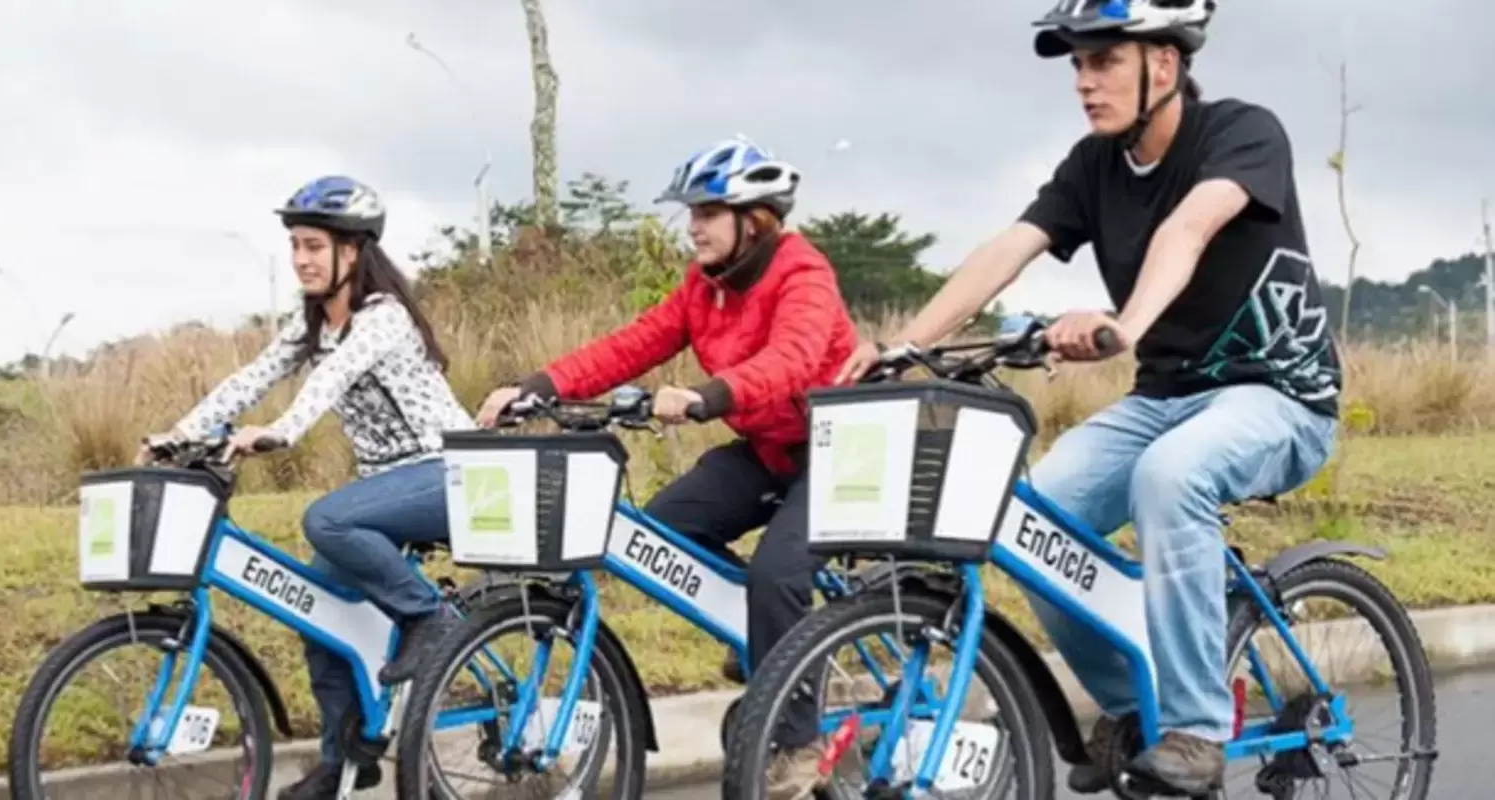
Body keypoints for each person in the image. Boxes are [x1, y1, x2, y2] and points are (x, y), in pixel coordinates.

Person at [835, 1, 1341, 794]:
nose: (1083, 79)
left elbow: (1188, 229)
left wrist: (1122, 323)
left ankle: (1196, 729)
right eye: (1075, 63)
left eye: (1102, 60)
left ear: (1163, 66)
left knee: (1170, 478)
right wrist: (907, 345)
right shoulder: (1092, 165)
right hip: (1166, 399)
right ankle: (1131, 708)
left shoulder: (1242, 132)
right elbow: (1009, 247)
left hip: (1277, 396)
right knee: (1030, 516)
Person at [474, 136, 859, 794]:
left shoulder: (802, 274)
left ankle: (798, 741)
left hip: (838, 448)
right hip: (767, 448)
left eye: (707, 213)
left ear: (754, 219)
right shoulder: (702, 286)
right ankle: (770, 644)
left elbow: (791, 359)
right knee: (659, 535)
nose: (692, 227)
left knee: (776, 570)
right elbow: (633, 344)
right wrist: (537, 385)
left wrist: (709, 396)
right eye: (691, 213)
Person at [148, 175, 476, 799]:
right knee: (315, 606)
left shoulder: (384, 319)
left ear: (352, 252)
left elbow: (326, 386)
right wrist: (177, 435)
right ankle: (344, 758)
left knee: (326, 520)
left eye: (314, 247)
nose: (301, 259)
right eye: (296, 246)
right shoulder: (312, 326)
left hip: (450, 472)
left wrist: (280, 431)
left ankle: (428, 618)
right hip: (391, 484)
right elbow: (250, 378)